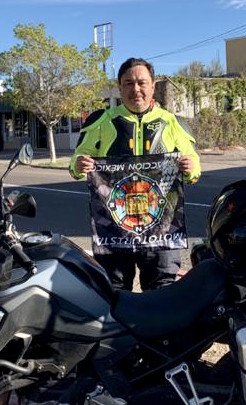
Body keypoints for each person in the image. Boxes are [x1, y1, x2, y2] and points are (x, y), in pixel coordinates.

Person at [69, 57, 201, 291]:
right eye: (128, 83)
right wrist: (79, 165)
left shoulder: (173, 123)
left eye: (142, 82)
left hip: (162, 228)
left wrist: (191, 168)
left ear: (152, 85)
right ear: (120, 87)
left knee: (162, 290)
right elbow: (77, 161)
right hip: (114, 229)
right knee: (114, 292)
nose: (136, 89)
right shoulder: (101, 122)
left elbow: (194, 167)